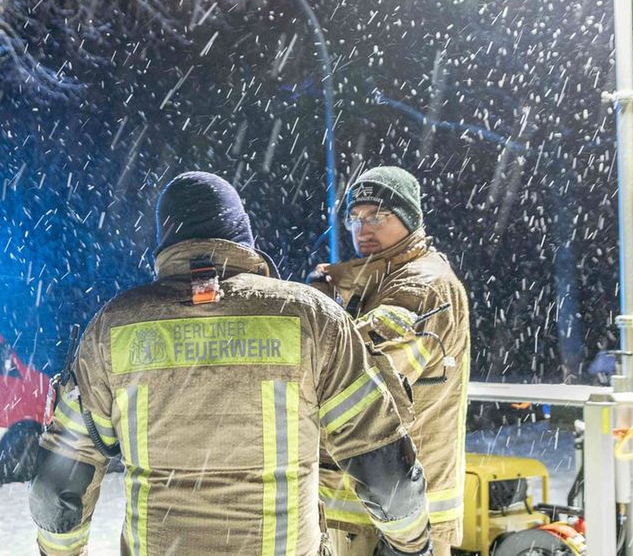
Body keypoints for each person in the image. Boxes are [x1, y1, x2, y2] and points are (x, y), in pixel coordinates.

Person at [30, 171, 434, 556]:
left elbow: (57, 487)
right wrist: (412, 545)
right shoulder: (310, 318)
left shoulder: (112, 327)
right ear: (241, 235)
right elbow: (385, 471)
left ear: (167, 239)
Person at [311, 166, 471, 556]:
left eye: (378, 217)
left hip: (399, 518)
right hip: (373, 506)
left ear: (409, 219)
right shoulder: (379, 278)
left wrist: (310, 312)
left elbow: (361, 370)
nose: (363, 229)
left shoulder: (423, 286)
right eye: (355, 218)